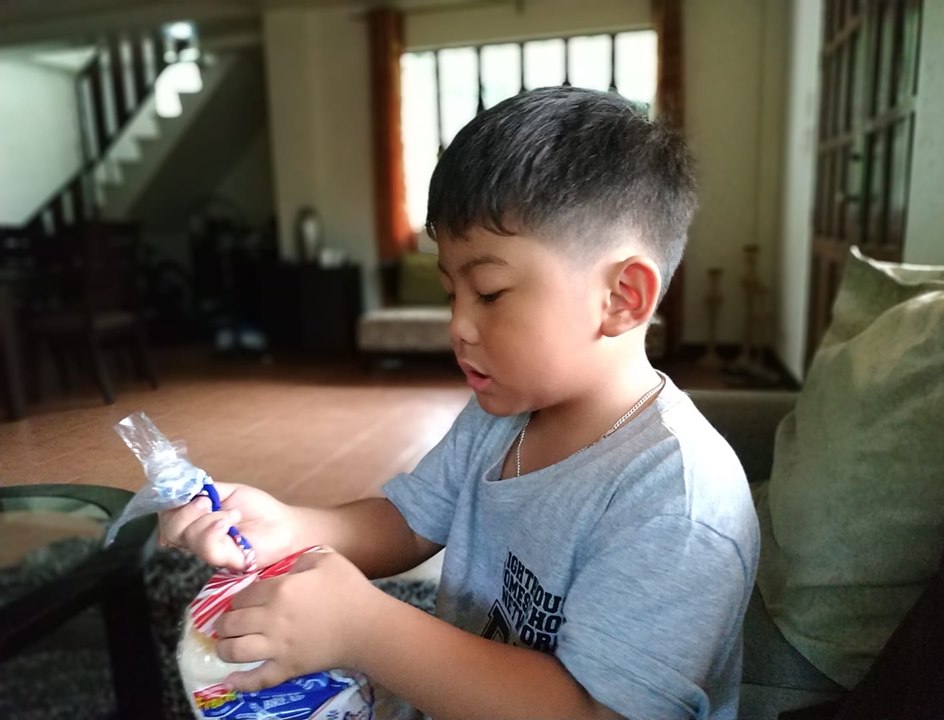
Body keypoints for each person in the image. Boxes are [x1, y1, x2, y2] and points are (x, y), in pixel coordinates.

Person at [161, 86, 759, 719]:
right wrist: (289, 525)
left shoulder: (676, 502)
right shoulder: (502, 417)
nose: (459, 327)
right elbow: (410, 520)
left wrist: (366, 630)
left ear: (621, 297)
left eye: (490, 292)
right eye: (452, 294)